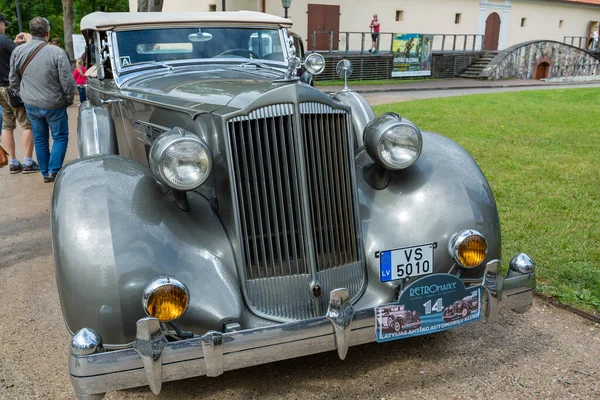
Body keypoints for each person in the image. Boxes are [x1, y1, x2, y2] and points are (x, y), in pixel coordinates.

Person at [10, 17, 75, 183]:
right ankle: (54, 169)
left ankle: (45, 172)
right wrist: (68, 99)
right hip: (54, 103)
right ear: (48, 32)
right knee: (60, 137)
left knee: (40, 138)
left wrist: (23, 95)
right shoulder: (57, 52)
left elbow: (13, 79)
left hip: (31, 103)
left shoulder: (18, 51)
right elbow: (67, 81)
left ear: (31, 32)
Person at [0, 13, 39, 174]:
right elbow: (22, 55)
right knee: (27, 123)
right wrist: (29, 42)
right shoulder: (4, 40)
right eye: (4, 23)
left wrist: (13, 43)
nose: (6, 27)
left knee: (7, 125)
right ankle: (28, 162)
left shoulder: (6, 42)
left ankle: (13, 162)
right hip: (11, 88)